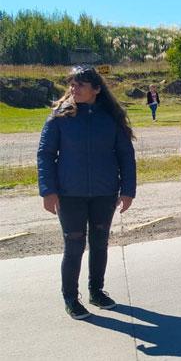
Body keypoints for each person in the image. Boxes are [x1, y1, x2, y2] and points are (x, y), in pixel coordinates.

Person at [37, 65, 137, 319]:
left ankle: (96, 290)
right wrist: (48, 191)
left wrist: (128, 190)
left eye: (80, 84)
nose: (74, 88)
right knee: (74, 245)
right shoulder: (59, 118)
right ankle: (71, 297)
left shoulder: (110, 117)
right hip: (70, 194)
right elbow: (46, 155)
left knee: (100, 242)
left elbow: (126, 155)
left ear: (96, 89)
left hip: (104, 193)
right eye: (71, 84)